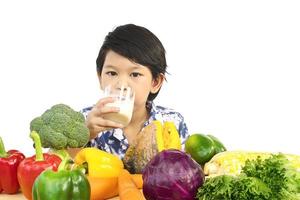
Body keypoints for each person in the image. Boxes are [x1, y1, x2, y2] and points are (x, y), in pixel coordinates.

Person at [69, 24, 189, 159]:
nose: (122, 85)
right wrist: (85, 134)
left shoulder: (172, 122)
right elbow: (53, 168)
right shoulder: (85, 120)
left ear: (155, 82)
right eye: (112, 73)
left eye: (135, 74)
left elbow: (186, 171)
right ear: (100, 77)